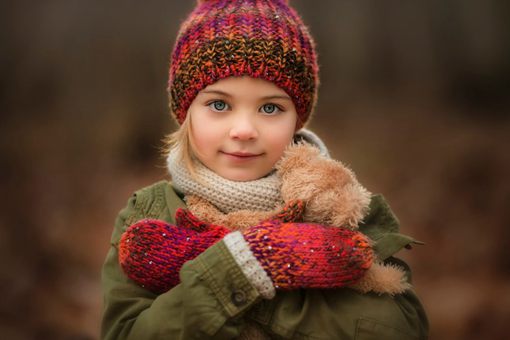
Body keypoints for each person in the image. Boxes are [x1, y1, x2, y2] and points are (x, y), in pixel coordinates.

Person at [101, 0, 429, 339]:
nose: (244, 130)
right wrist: (242, 267)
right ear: (186, 114)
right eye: (219, 104)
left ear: (296, 120)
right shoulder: (149, 214)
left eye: (270, 108)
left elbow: (400, 327)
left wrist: (260, 268)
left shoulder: (340, 207)